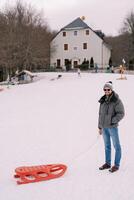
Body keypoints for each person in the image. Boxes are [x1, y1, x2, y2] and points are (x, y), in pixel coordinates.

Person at [98, 81, 125, 172]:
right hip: (104, 127)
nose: (106, 91)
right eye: (105, 89)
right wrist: (100, 126)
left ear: (111, 90)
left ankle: (116, 165)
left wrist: (112, 121)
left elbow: (121, 113)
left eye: (108, 89)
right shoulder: (103, 100)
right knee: (107, 146)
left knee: (116, 146)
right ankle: (107, 163)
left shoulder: (116, 100)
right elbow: (100, 114)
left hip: (112, 127)